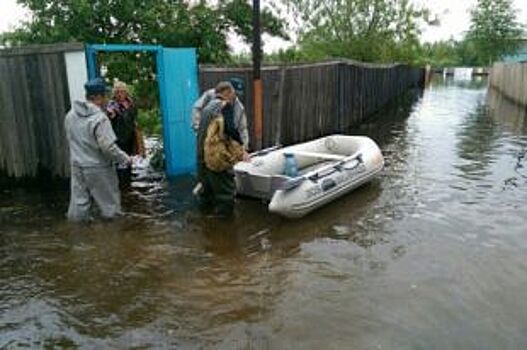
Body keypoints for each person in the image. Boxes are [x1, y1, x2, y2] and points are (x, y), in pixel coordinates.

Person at [64, 77, 131, 221]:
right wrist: (125, 158)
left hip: (77, 166)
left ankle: (78, 240)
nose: (107, 99)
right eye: (105, 95)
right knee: (111, 210)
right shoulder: (100, 118)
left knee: (78, 209)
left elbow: (71, 139)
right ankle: (114, 240)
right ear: (99, 97)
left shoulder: (70, 115)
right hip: (98, 168)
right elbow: (108, 147)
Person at [197, 81, 247, 217]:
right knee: (226, 193)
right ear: (227, 93)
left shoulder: (207, 108)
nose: (234, 98)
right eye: (233, 94)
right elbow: (230, 129)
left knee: (206, 193)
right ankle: (224, 230)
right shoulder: (224, 106)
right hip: (215, 158)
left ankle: (205, 226)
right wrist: (242, 148)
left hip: (202, 157)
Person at [192, 77, 249, 149]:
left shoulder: (239, 108)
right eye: (233, 93)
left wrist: (244, 147)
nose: (234, 96)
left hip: (223, 144)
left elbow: (242, 128)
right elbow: (197, 108)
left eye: (237, 94)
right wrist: (197, 128)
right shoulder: (210, 95)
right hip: (206, 137)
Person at [106, 80, 140, 186]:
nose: (121, 94)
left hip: (129, 137)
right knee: (120, 163)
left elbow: (133, 118)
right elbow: (110, 113)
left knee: (129, 161)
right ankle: (121, 184)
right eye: (118, 92)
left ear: (126, 92)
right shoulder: (112, 105)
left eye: (123, 91)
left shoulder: (130, 102)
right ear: (114, 93)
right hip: (118, 139)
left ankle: (128, 183)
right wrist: (111, 114)